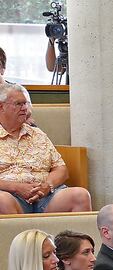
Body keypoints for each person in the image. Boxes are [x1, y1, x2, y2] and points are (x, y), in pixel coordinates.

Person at [0, 83, 92, 214]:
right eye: (18, 104)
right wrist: (15, 187)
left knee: (80, 195)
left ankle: (76, 236)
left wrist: (47, 186)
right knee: (1, 200)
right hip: (10, 197)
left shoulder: (38, 134)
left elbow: (61, 169)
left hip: (45, 196)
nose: (24, 108)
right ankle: (22, 235)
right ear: (1, 107)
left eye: (25, 104)